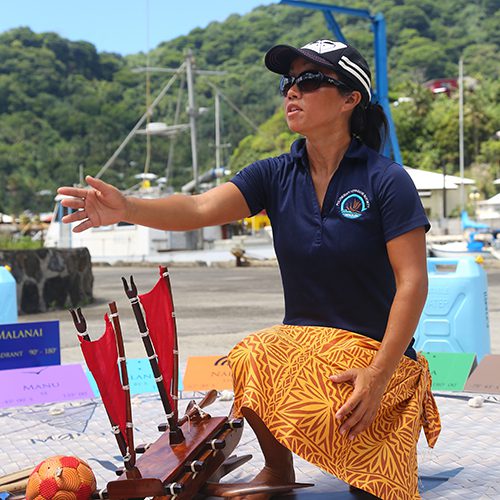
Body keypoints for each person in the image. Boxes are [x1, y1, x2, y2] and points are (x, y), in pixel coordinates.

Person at [58, 39, 441, 499]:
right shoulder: (276, 175)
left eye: (310, 80)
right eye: (288, 82)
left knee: (373, 490)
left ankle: (381, 433)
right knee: (252, 354)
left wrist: (379, 374)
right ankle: (278, 470)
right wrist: (127, 208)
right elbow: (199, 208)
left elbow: (413, 282)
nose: (292, 92)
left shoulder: (385, 179)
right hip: (302, 354)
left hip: (381, 357)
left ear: (350, 99)